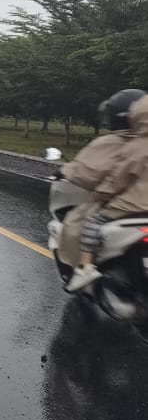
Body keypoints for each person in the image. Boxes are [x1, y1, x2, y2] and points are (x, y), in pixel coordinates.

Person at [59, 89, 144, 290]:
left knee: (88, 222)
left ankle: (84, 267)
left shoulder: (126, 145)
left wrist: (101, 194)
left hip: (132, 205)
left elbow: (113, 178)